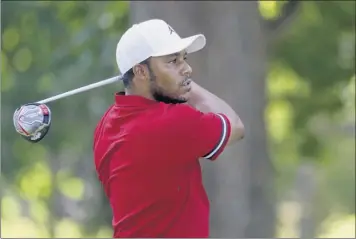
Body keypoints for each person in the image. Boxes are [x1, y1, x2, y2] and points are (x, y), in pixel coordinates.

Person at [93, 19, 244, 238]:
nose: (187, 69)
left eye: (184, 58)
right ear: (141, 72)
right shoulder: (171, 122)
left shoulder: (106, 125)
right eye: (173, 61)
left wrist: (175, 80)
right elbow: (236, 126)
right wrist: (186, 86)